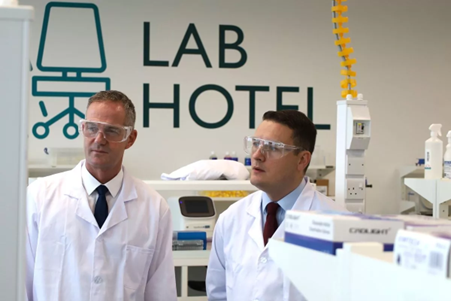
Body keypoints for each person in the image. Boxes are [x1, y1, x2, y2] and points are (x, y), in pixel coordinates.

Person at [26, 90, 177, 301]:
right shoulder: (40, 196)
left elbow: (161, 292)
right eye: (91, 128)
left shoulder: (154, 208)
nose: (99, 139)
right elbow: (21, 283)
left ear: (130, 138)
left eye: (112, 131)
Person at [206, 110, 345, 301]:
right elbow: (218, 294)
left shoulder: (338, 224)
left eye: (271, 147)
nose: (257, 155)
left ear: (302, 160)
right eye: (255, 143)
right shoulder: (231, 219)